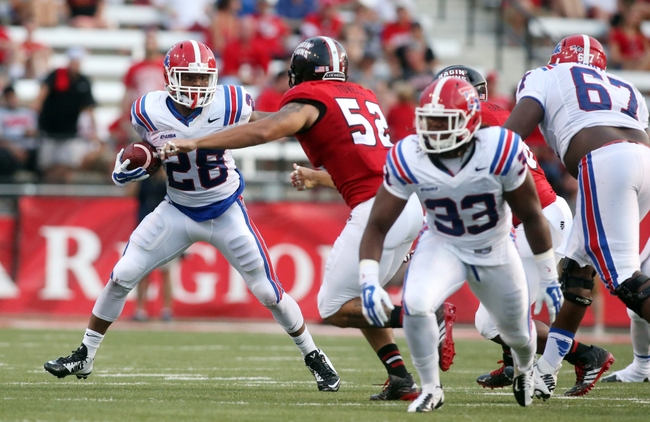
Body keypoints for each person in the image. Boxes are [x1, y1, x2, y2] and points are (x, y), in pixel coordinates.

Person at [43, 39, 340, 393]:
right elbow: (148, 157)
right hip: (178, 208)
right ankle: (85, 355)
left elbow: (264, 123)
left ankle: (314, 355)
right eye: (190, 77)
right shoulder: (147, 110)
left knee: (268, 292)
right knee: (121, 275)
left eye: (203, 79)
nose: (198, 86)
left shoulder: (230, 102)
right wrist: (130, 169)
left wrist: (302, 123)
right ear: (169, 77)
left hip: (226, 209)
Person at [159, 36, 429, 401]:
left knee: (333, 306)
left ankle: (422, 315)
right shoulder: (362, 95)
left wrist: (199, 141)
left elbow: (267, 130)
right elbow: (359, 166)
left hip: (377, 211)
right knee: (362, 299)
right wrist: (317, 176)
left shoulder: (310, 98)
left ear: (300, 72)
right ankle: (399, 376)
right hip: (404, 204)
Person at [357, 77, 562, 411]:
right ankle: (430, 388)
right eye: (428, 121)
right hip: (442, 244)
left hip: (493, 246)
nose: (434, 130)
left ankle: (525, 369)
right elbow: (378, 224)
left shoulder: (499, 148)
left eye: (443, 122)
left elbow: (533, 215)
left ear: (469, 119)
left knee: (518, 335)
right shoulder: (409, 154)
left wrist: (549, 275)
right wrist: (367, 280)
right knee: (416, 303)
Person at [434, 65, 614, 397]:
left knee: (490, 321)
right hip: (540, 213)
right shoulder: (497, 113)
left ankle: (588, 356)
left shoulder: (469, 118)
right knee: (504, 303)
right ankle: (514, 362)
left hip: (535, 219)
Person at [503, 34, 650, 398]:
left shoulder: (546, 74)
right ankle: (547, 370)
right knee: (578, 270)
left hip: (605, 162)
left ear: (558, 56)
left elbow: (514, 133)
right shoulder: (626, 86)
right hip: (641, 161)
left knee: (624, 281)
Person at [32, 46, 100, 183]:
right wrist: (35, 122)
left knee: (68, 167)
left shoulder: (83, 82)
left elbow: (89, 109)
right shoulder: (57, 75)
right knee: (47, 167)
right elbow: (40, 97)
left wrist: (94, 131)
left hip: (69, 133)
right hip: (49, 131)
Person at [128, 169, 176, 322]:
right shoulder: (143, 177)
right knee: (143, 272)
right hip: (145, 228)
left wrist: (165, 176)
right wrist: (135, 176)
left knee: (166, 271)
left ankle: (167, 309)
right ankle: (141, 309)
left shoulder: (169, 177)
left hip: (165, 229)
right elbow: (130, 193)